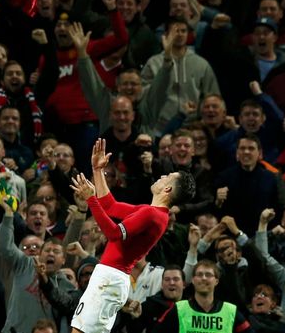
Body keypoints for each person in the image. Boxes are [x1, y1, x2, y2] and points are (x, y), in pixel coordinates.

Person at [68, 138, 195, 333]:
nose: (161, 176)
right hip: (111, 278)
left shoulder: (152, 214)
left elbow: (113, 233)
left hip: (110, 278)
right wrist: (97, 170)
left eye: (166, 177)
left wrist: (90, 199)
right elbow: (110, 206)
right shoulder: (153, 212)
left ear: (167, 189)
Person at [157, 260, 253, 332]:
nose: (203, 278)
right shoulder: (178, 309)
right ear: (193, 280)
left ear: (216, 281)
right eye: (199, 274)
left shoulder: (231, 311)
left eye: (208, 275)